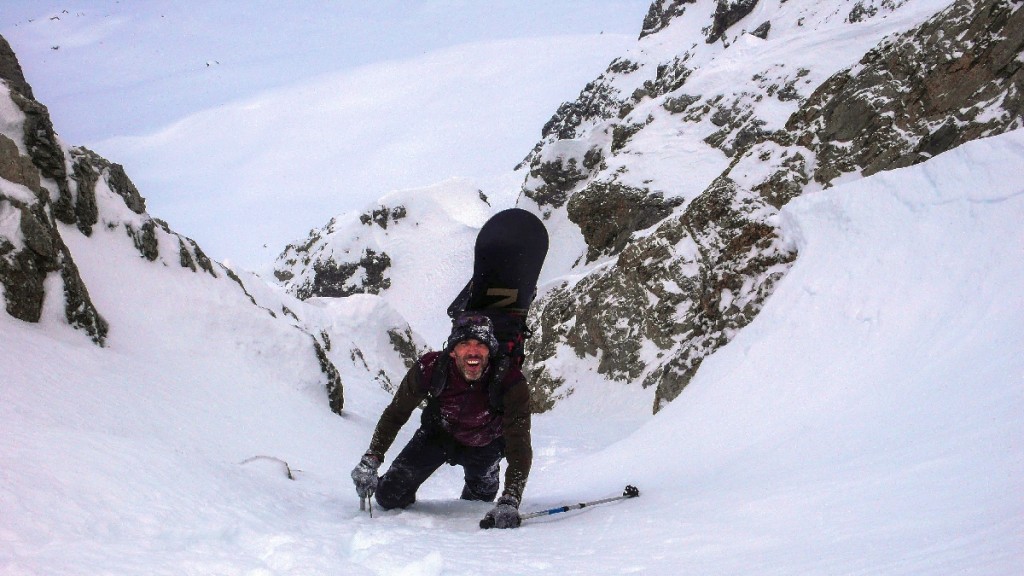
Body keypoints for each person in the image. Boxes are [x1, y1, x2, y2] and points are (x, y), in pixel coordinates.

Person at [351, 314, 532, 528]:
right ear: (453, 351)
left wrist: (510, 499)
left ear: (490, 351)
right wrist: (371, 459)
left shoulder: (510, 381)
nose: (473, 351)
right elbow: (396, 413)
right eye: (464, 344)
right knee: (388, 496)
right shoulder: (431, 368)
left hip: (486, 443)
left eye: (481, 345)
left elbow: (519, 444)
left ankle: (484, 480)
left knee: (478, 503)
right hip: (437, 435)